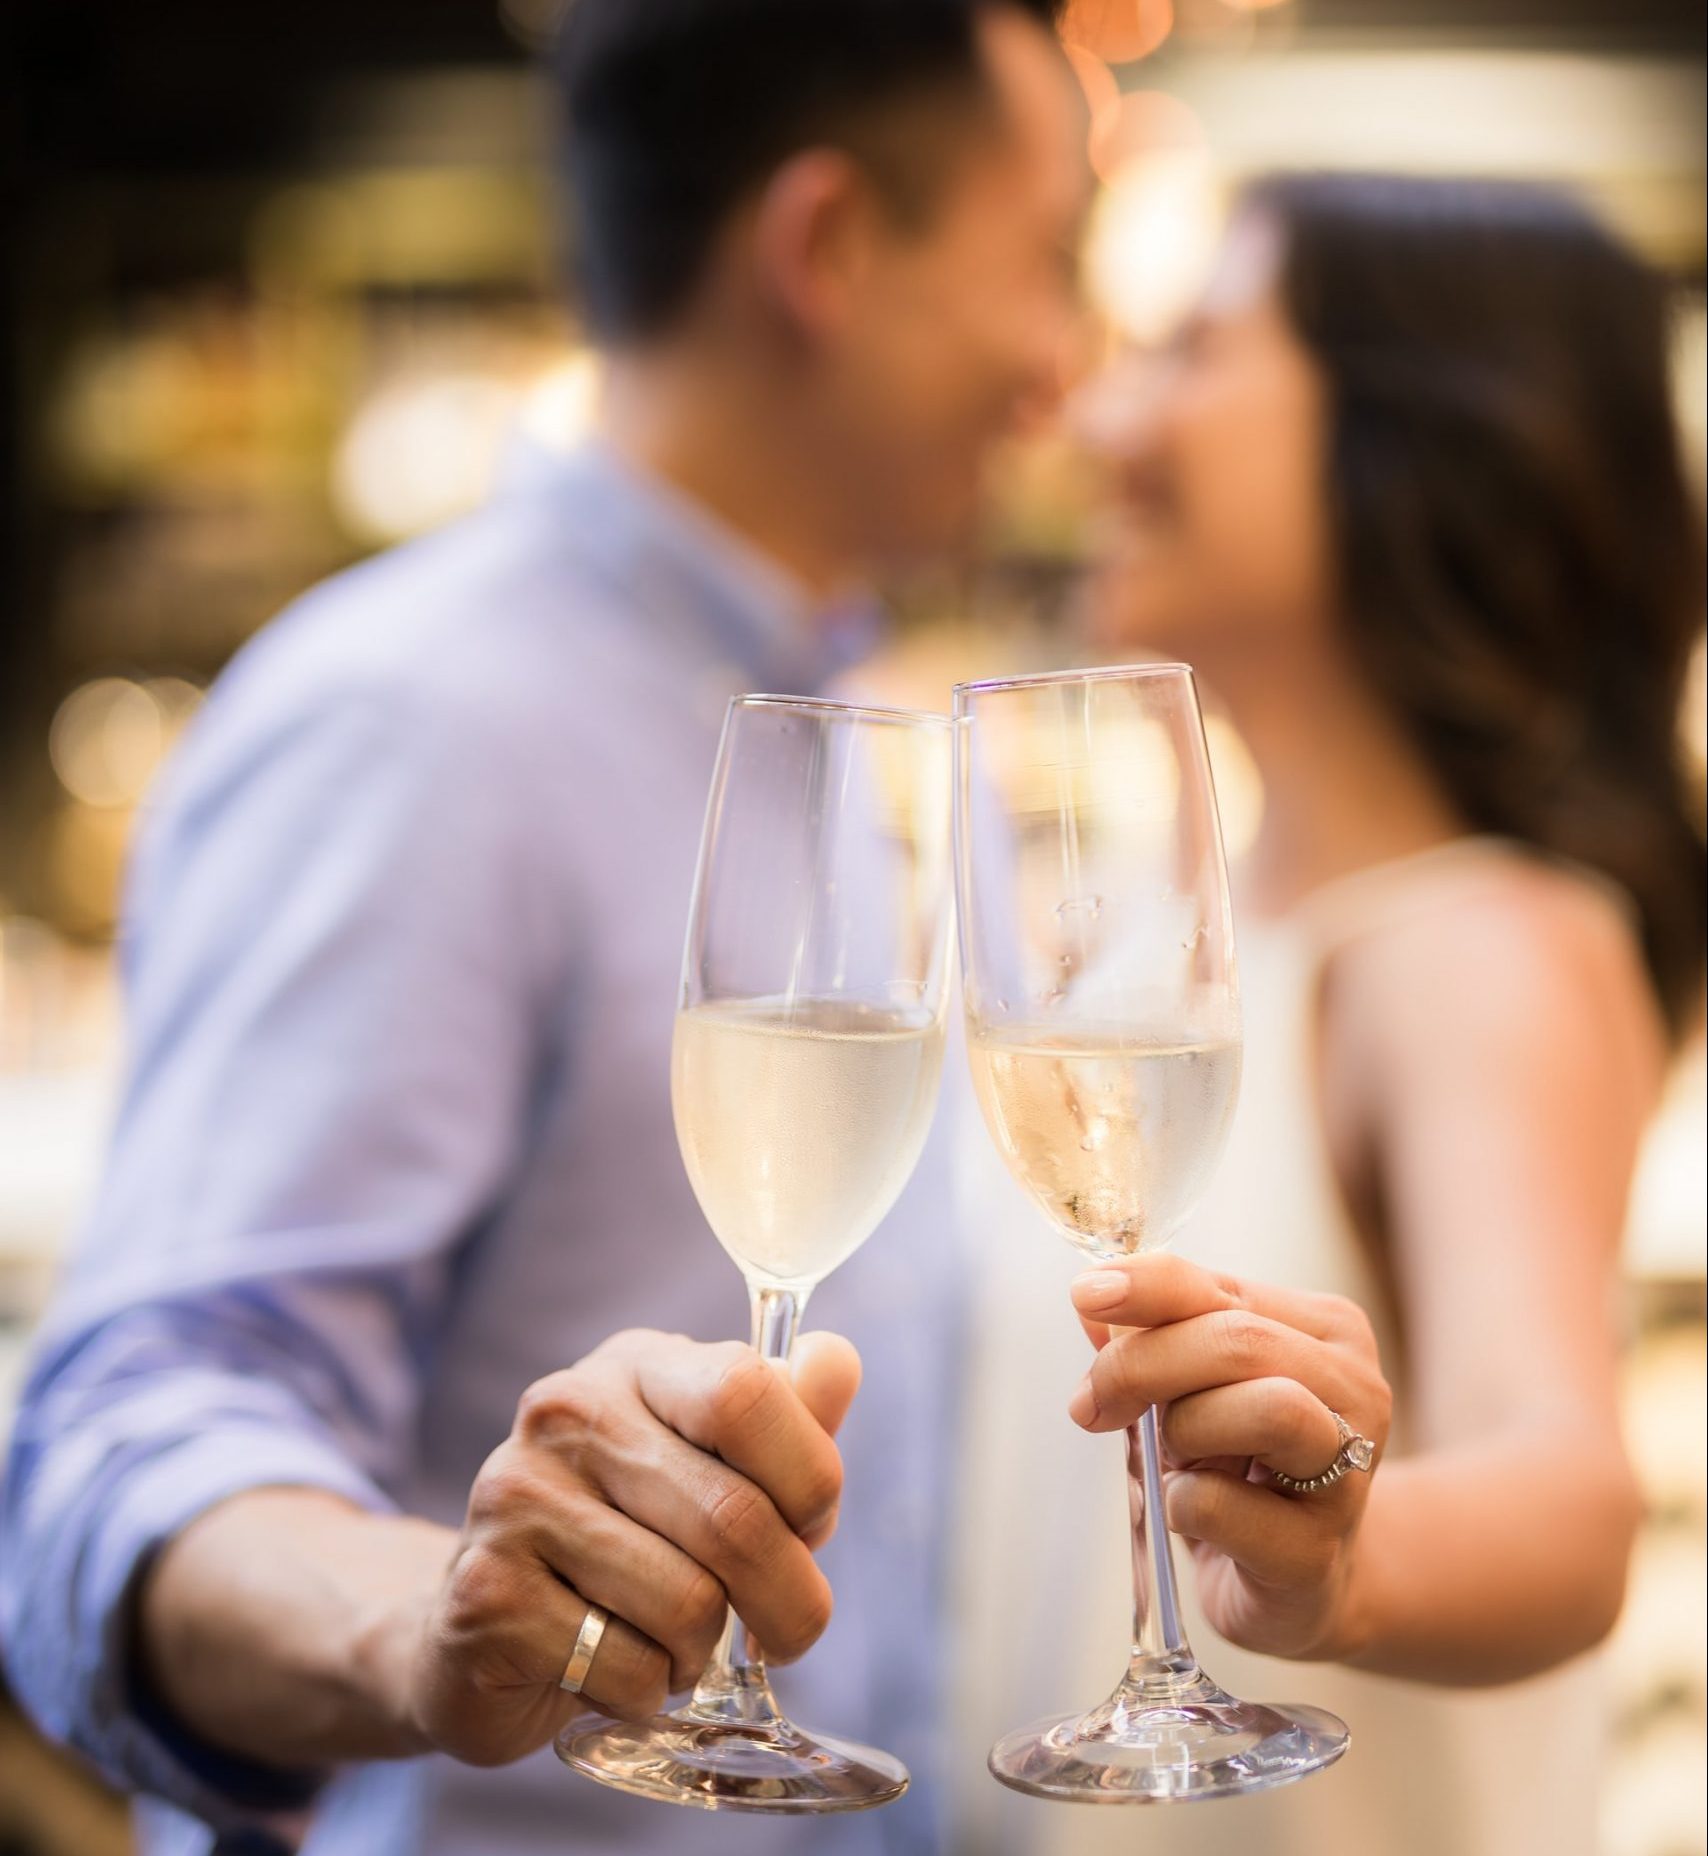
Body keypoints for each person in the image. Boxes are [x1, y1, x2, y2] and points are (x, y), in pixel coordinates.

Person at [0, 5, 1088, 1854]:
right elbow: (121, 1455)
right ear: (827, 247)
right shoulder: (409, 716)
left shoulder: (883, 746)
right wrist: (423, 1622)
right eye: (1048, 263)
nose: (1072, 361)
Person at [949, 172, 1704, 1856]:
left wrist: (1343, 1564)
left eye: (1195, 349)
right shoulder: (1165, 950)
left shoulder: (1476, 940)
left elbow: (1567, 1496)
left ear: (1414, 441)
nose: (1106, 409)